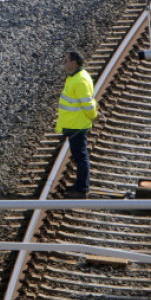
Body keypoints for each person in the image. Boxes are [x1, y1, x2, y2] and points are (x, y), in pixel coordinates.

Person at [55, 50, 98, 198]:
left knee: (81, 157)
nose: (63, 63)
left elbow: (87, 104)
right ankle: (81, 186)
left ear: (73, 63)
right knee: (79, 156)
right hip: (73, 124)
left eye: (65, 60)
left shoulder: (80, 80)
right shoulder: (75, 77)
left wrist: (94, 116)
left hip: (77, 126)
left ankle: (82, 189)